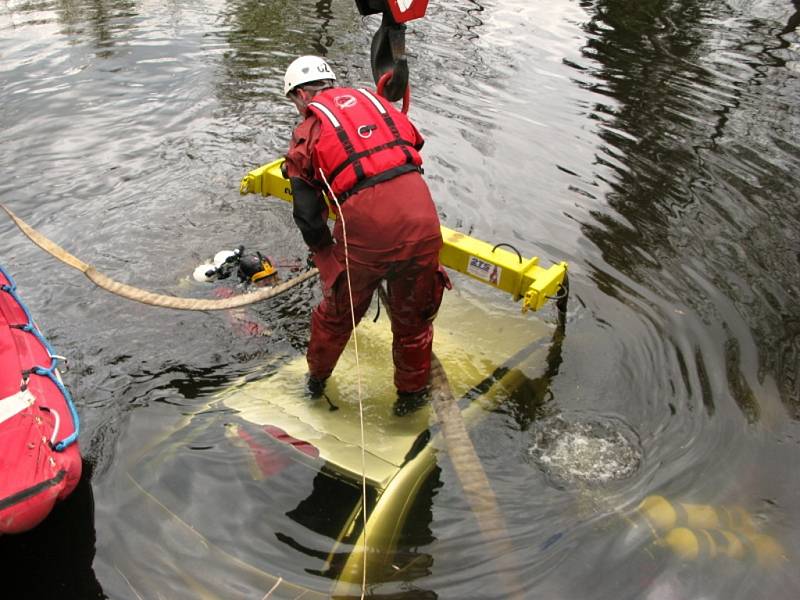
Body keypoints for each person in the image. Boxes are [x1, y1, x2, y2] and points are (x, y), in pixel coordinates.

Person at [282, 55, 449, 415]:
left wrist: (327, 259)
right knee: (414, 321)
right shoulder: (378, 105)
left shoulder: (307, 132)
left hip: (369, 238)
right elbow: (410, 147)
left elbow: (308, 218)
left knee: (337, 316)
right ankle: (410, 400)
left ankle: (315, 384)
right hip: (423, 224)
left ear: (298, 96)